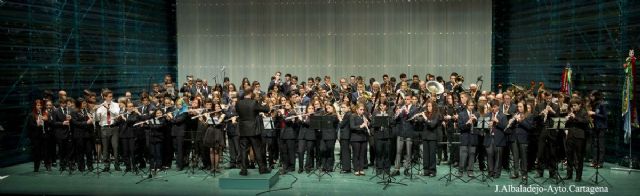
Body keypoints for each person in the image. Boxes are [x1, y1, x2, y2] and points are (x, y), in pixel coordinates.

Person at [236, 87, 270, 176]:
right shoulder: (254, 102)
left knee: (243, 150)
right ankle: (262, 169)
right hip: (253, 130)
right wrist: (265, 104)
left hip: (243, 129)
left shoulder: (238, 103)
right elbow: (266, 110)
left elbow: (238, 113)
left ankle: (243, 170)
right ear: (251, 93)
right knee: (257, 150)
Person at [414, 101, 442, 177]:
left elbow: (432, 124)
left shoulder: (437, 115)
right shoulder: (425, 114)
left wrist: (425, 117)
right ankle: (426, 170)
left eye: (430, 106)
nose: (429, 108)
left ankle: (432, 171)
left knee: (432, 155)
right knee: (425, 155)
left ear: (434, 107)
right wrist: (416, 117)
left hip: (432, 137)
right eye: (428, 106)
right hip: (425, 137)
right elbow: (420, 120)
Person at [564, 98, 589, 182]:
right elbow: (566, 125)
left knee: (579, 157)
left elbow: (585, 122)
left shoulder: (584, 112)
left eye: (575, 105)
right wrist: (566, 119)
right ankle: (569, 174)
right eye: (572, 106)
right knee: (569, 156)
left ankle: (578, 176)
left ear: (579, 105)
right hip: (570, 136)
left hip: (579, 138)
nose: (573, 107)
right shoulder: (571, 113)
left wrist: (575, 117)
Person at [95, 89, 121, 172]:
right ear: (105, 97)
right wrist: (95, 112)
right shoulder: (100, 106)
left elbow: (117, 114)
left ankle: (117, 165)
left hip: (114, 128)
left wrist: (108, 108)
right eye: (109, 96)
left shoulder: (116, 105)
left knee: (115, 147)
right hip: (104, 128)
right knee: (105, 148)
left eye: (111, 96)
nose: (111, 98)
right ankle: (106, 165)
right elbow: (97, 119)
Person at [484, 100, 508, 178]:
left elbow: (505, 128)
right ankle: (490, 172)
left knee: (498, 157)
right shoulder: (487, 115)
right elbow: (483, 127)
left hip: (499, 139)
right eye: (492, 107)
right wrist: (487, 126)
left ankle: (496, 173)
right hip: (489, 138)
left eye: (494, 107)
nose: (493, 109)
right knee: (489, 155)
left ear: (498, 106)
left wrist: (497, 122)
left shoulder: (503, 116)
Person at [27, 99, 51, 172]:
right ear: (35, 106)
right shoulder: (31, 115)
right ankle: (36, 167)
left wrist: (46, 120)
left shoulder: (44, 113)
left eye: (40, 105)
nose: (39, 106)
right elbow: (30, 125)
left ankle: (48, 166)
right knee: (37, 152)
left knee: (46, 151)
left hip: (44, 135)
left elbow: (49, 123)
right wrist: (37, 124)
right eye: (38, 105)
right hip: (36, 136)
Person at [456, 100, 479, 177]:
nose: (471, 107)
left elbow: (480, 126)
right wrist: (467, 123)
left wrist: (477, 120)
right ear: (467, 105)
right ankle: (461, 170)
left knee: (472, 154)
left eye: (472, 105)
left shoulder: (476, 114)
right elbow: (460, 127)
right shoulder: (461, 114)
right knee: (463, 154)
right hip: (465, 137)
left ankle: (470, 171)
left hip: (473, 137)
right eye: (470, 105)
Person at [350, 104, 370, 176]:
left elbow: (368, 126)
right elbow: (352, 127)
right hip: (355, 138)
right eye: (361, 110)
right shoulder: (353, 116)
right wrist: (361, 126)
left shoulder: (364, 117)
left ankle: (361, 169)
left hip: (363, 137)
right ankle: (356, 169)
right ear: (357, 110)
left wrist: (367, 123)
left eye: (363, 110)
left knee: (362, 154)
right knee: (356, 154)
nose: (362, 111)